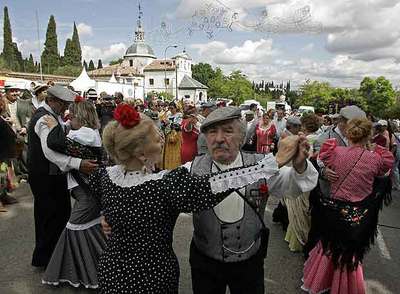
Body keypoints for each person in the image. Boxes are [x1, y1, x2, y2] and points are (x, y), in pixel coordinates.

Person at [89, 103, 284, 294]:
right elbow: (213, 186)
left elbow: (101, 196)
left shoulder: (105, 176)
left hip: (112, 271)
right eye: (158, 140)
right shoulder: (165, 184)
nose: (162, 142)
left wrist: (108, 215)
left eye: (228, 131)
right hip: (152, 276)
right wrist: (270, 165)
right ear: (141, 153)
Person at [187, 107, 318, 294]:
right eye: (212, 132)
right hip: (205, 261)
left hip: (249, 262)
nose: (218, 138)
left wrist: (299, 165)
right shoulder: (191, 169)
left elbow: (294, 186)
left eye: (228, 131)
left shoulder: (261, 162)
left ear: (242, 137)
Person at [302, 117, 394, 294]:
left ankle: (322, 282)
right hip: (358, 214)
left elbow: (320, 160)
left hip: (334, 210)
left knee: (329, 247)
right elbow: (385, 171)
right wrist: (374, 148)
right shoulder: (376, 158)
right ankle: (344, 287)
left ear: (348, 134)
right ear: (369, 135)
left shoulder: (335, 152)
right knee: (350, 252)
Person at [27, 85, 98, 268]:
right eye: (63, 104)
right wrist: (78, 163)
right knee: (49, 216)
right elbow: (50, 151)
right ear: (52, 101)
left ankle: (52, 257)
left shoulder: (52, 115)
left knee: (58, 215)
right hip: (45, 176)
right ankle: (47, 259)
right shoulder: (44, 118)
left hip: (52, 174)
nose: (66, 108)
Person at [41, 99, 107, 288]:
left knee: (73, 228)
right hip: (88, 192)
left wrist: (55, 125)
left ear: (80, 117)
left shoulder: (85, 134)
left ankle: (76, 273)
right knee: (90, 231)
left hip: (88, 194)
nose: (70, 120)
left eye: (72, 116)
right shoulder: (88, 133)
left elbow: (55, 142)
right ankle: (100, 268)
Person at [283, 114, 320, 252]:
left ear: (304, 126)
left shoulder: (302, 140)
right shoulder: (320, 138)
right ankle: (293, 237)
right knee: (304, 210)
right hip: (311, 178)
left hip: (299, 174)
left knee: (296, 209)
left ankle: (298, 240)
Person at [0, 97, 17, 211]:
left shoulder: (1, 118)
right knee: (1, 176)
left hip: (4, 153)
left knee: (5, 176)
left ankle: (4, 196)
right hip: (1, 154)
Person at [162, 102, 182, 169]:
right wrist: (164, 124)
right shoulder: (168, 115)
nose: (171, 109)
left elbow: (178, 126)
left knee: (176, 153)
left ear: (176, 108)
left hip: (176, 136)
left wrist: (169, 123)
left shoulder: (179, 115)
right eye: (169, 108)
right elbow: (165, 126)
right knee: (169, 153)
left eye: (172, 108)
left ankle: (176, 167)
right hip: (168, 135)